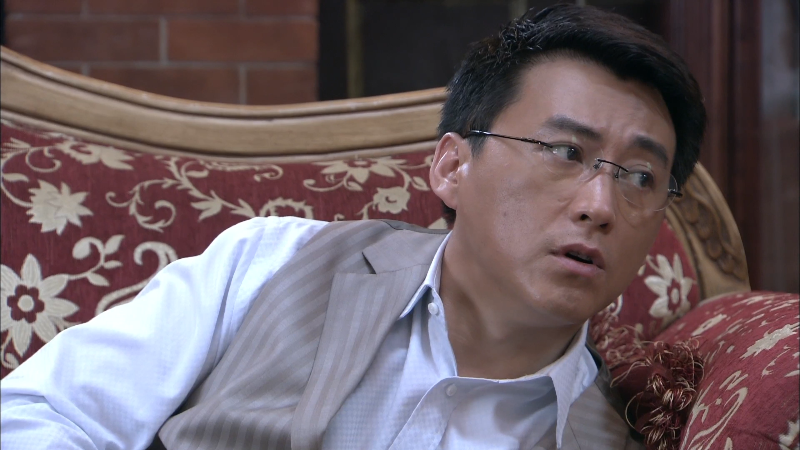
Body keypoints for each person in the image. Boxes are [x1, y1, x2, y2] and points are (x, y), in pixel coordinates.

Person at [1, 4, 705, 450]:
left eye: (641, 177)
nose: (600, 204)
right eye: (565, 152)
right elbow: (38, 414)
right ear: (452, 167)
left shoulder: (614, 431)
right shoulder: (270, 261)